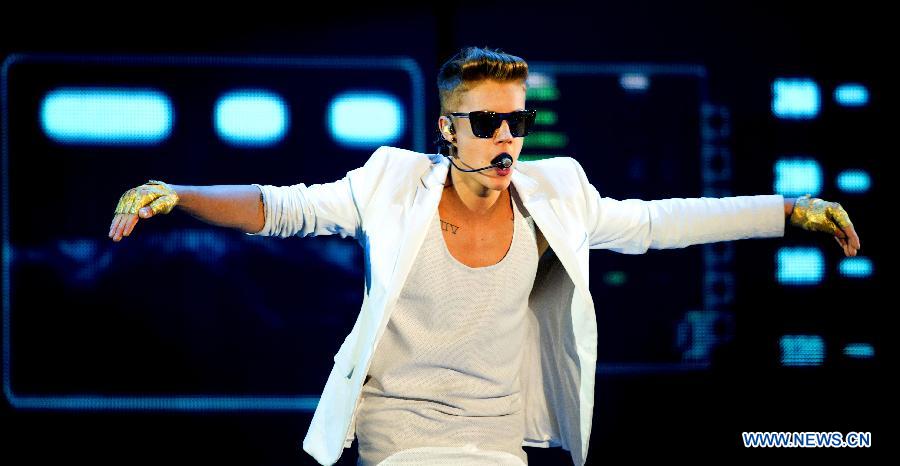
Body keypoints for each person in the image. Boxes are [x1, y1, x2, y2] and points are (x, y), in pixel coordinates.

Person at [107, 47, 861, 466]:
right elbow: (285, 206)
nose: (507, 136)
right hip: (401, 437)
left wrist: (786, 210)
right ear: (448, 128)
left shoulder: (556, 193)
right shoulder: (392, 183)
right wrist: (178, 191)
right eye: (488, 121)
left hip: (500, 440)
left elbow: (659, 222)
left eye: (518, 120)